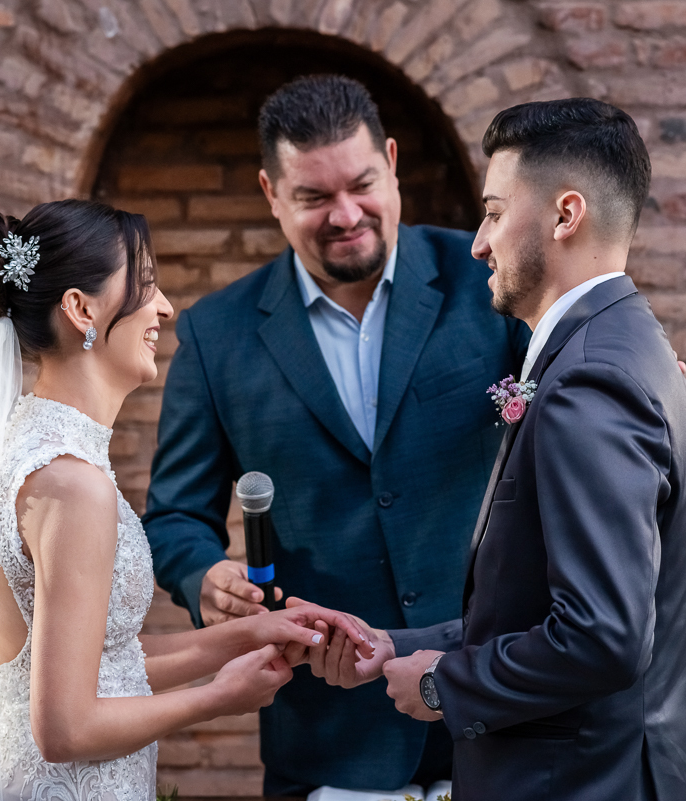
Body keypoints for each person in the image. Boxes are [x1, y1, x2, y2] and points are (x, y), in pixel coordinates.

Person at [0, 199, 371, 801]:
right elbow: (65, 729)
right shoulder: (70, 482)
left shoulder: (38, 450)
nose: (164, 307)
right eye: (144, 284)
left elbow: (106, 665)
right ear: (81, 309)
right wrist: (218, 697)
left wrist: (257, 633)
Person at [305, 99, 686, 800]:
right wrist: (398, 646)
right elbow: (535, 608)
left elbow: (603, 636)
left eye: (494, 212)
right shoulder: (624, 345)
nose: (478, 244)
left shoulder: (591, 378)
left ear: (565, 214)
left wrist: (444, 684)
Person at [143, 76, 529, 794]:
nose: (346, 215)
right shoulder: (215, 335)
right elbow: (173, 517)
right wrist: (205, 578)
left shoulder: (490, 279)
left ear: (391, 162)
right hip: (328, 737)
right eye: (314, 197)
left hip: (496, 709)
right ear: (271, 193)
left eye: (362, 185)